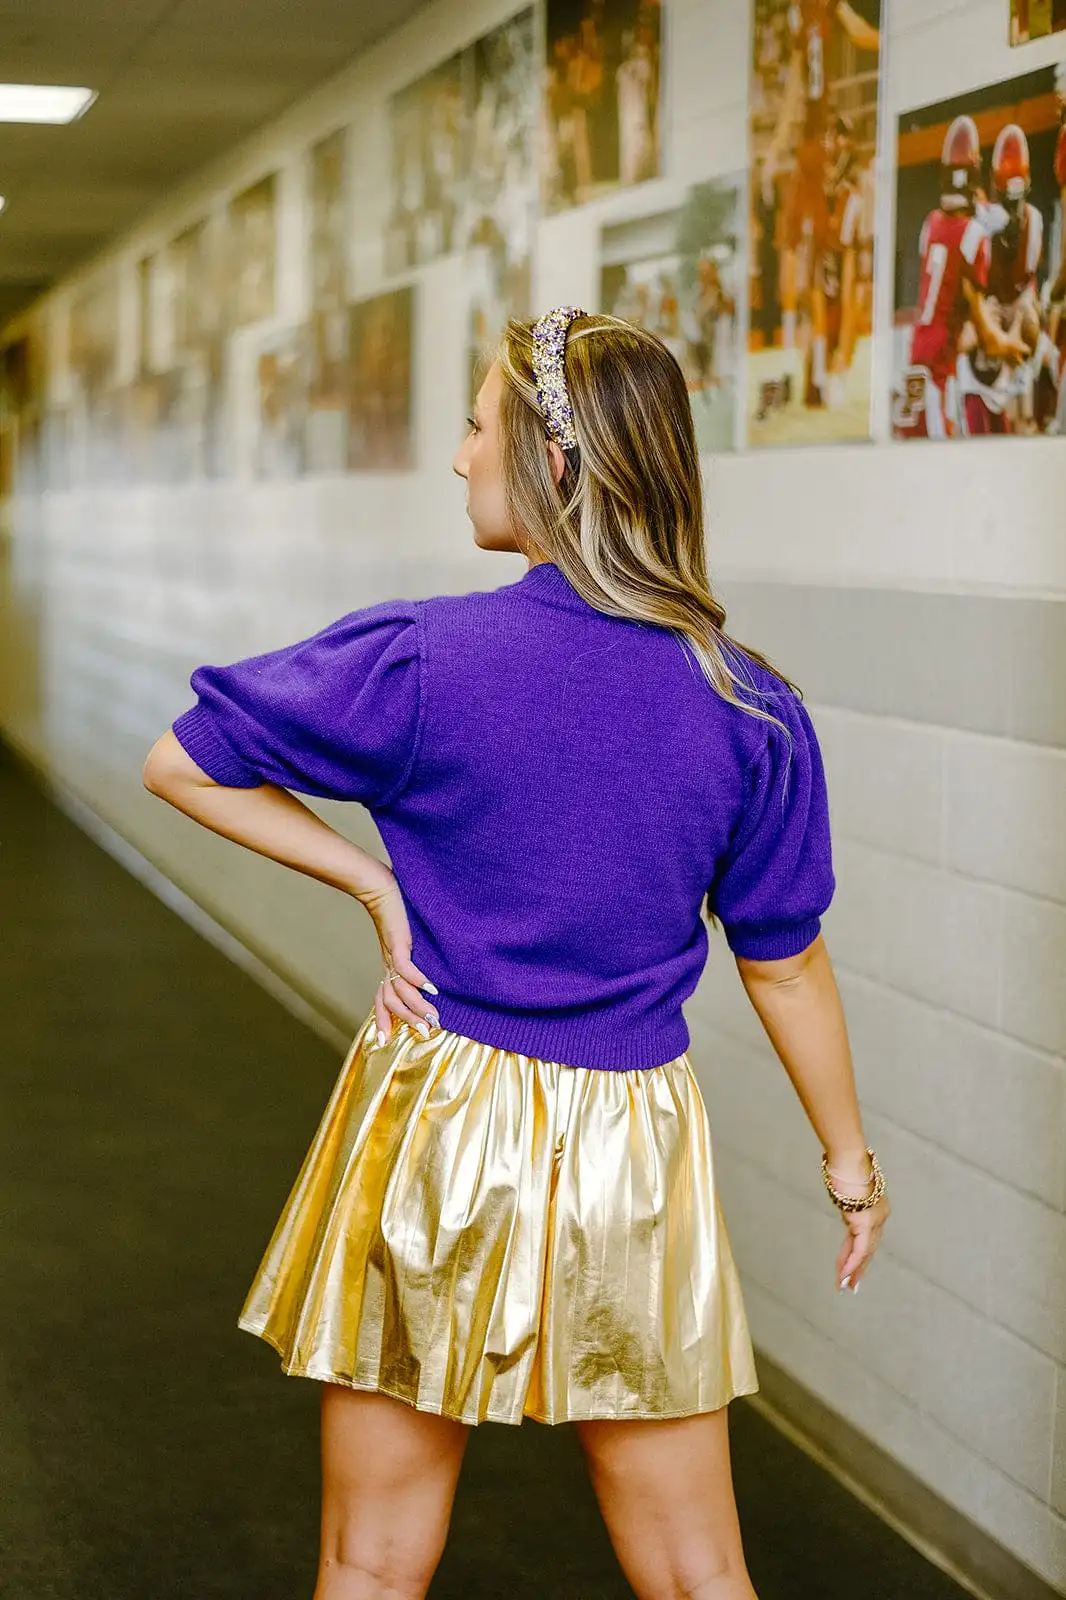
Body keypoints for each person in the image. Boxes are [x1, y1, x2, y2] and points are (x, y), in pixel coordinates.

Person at [142, 307, 890, 1600]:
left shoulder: (423, 660)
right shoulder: (747, 706)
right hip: (630, 1146)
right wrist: (847, 1159)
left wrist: (368, 882)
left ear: (551, 462)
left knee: (369, 1562)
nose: (456, 458)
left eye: (476, 426)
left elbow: (180, 764)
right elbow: (783, 961)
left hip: (435, 1111)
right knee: (697, 1570)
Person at [894, 115, 1029, 439]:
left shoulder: (930, 224)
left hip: (917, 351)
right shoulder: (973, 235)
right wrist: (1010, 344)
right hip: (941, 363)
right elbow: (980, 322)